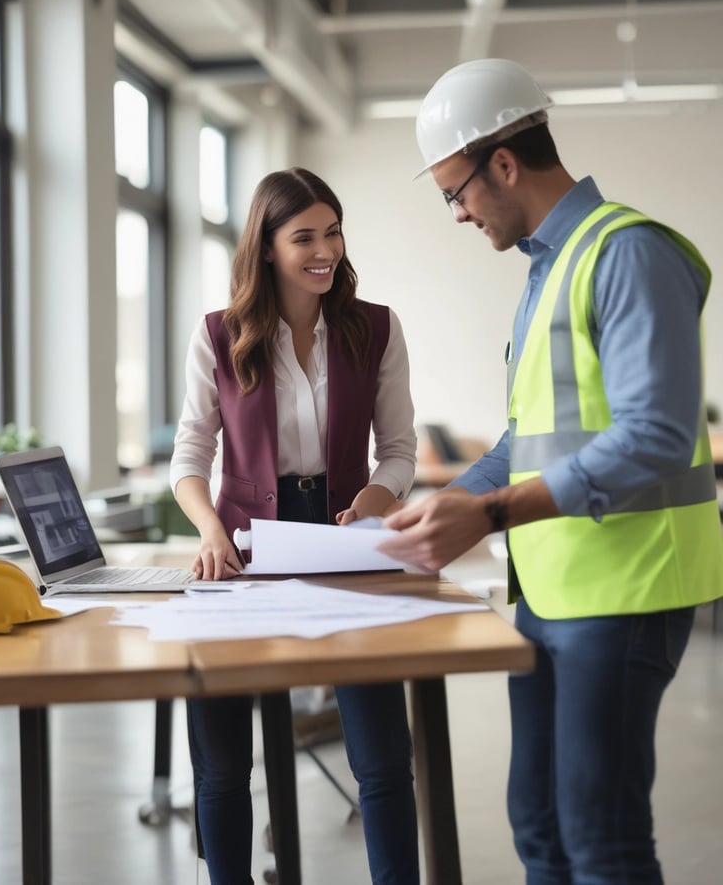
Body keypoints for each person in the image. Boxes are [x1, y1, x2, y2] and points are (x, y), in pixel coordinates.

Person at [378, 58, 723, 885]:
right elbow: (526, 438)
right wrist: (438, 506)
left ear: (503, 161)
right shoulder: (546, 270)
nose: (456, 212)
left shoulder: (627, 253)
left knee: (600, 836)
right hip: (552, 589)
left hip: (626, 589)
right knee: (540, 824)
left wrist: (490, 515)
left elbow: (658, 434)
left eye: (454, 190)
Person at [170, 167, 420, 885]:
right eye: (304, 236)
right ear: (267, 247)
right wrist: (211, 532)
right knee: (220, 762)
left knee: (381, 758)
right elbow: (191, 455)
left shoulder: (375, 327)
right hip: (242, 544)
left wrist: (375, 500)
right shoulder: (219, 335)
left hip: (345, 536)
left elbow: (399, 450)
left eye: (333, 232)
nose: (325, 250)